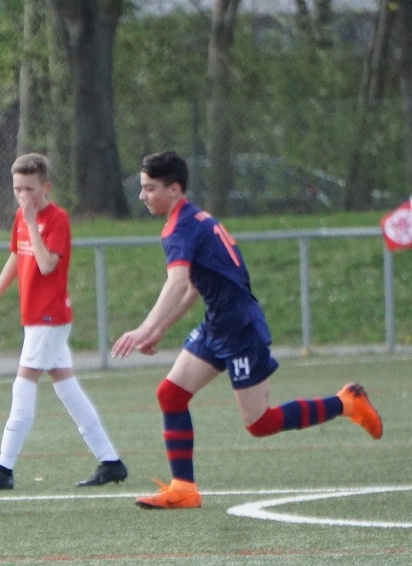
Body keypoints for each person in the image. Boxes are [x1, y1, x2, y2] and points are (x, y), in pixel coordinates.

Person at [112, 150, 383, 510]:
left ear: (174, 189)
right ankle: (184, 488)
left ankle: (346, 402)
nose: (142, 195)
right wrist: (159, 329)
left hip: (240, 329)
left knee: (260, 423)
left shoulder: (181, 227)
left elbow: (177, 283)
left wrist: (143, 328)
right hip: (218, 324)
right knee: (171, 395)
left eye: (149, 188)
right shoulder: (191, 219)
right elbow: (192, 286)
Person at [0, 153, 127, 491]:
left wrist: (31, 222)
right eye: (17, 189)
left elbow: (46, 264)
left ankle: (3, 468)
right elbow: (16, 256)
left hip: (50, 316)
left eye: (30, 189)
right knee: (67, 388)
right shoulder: (22, 217)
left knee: (23, 386)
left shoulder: (57, 219)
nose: (23, 196)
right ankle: (111, 462)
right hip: (35, 316)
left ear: (46, 187)